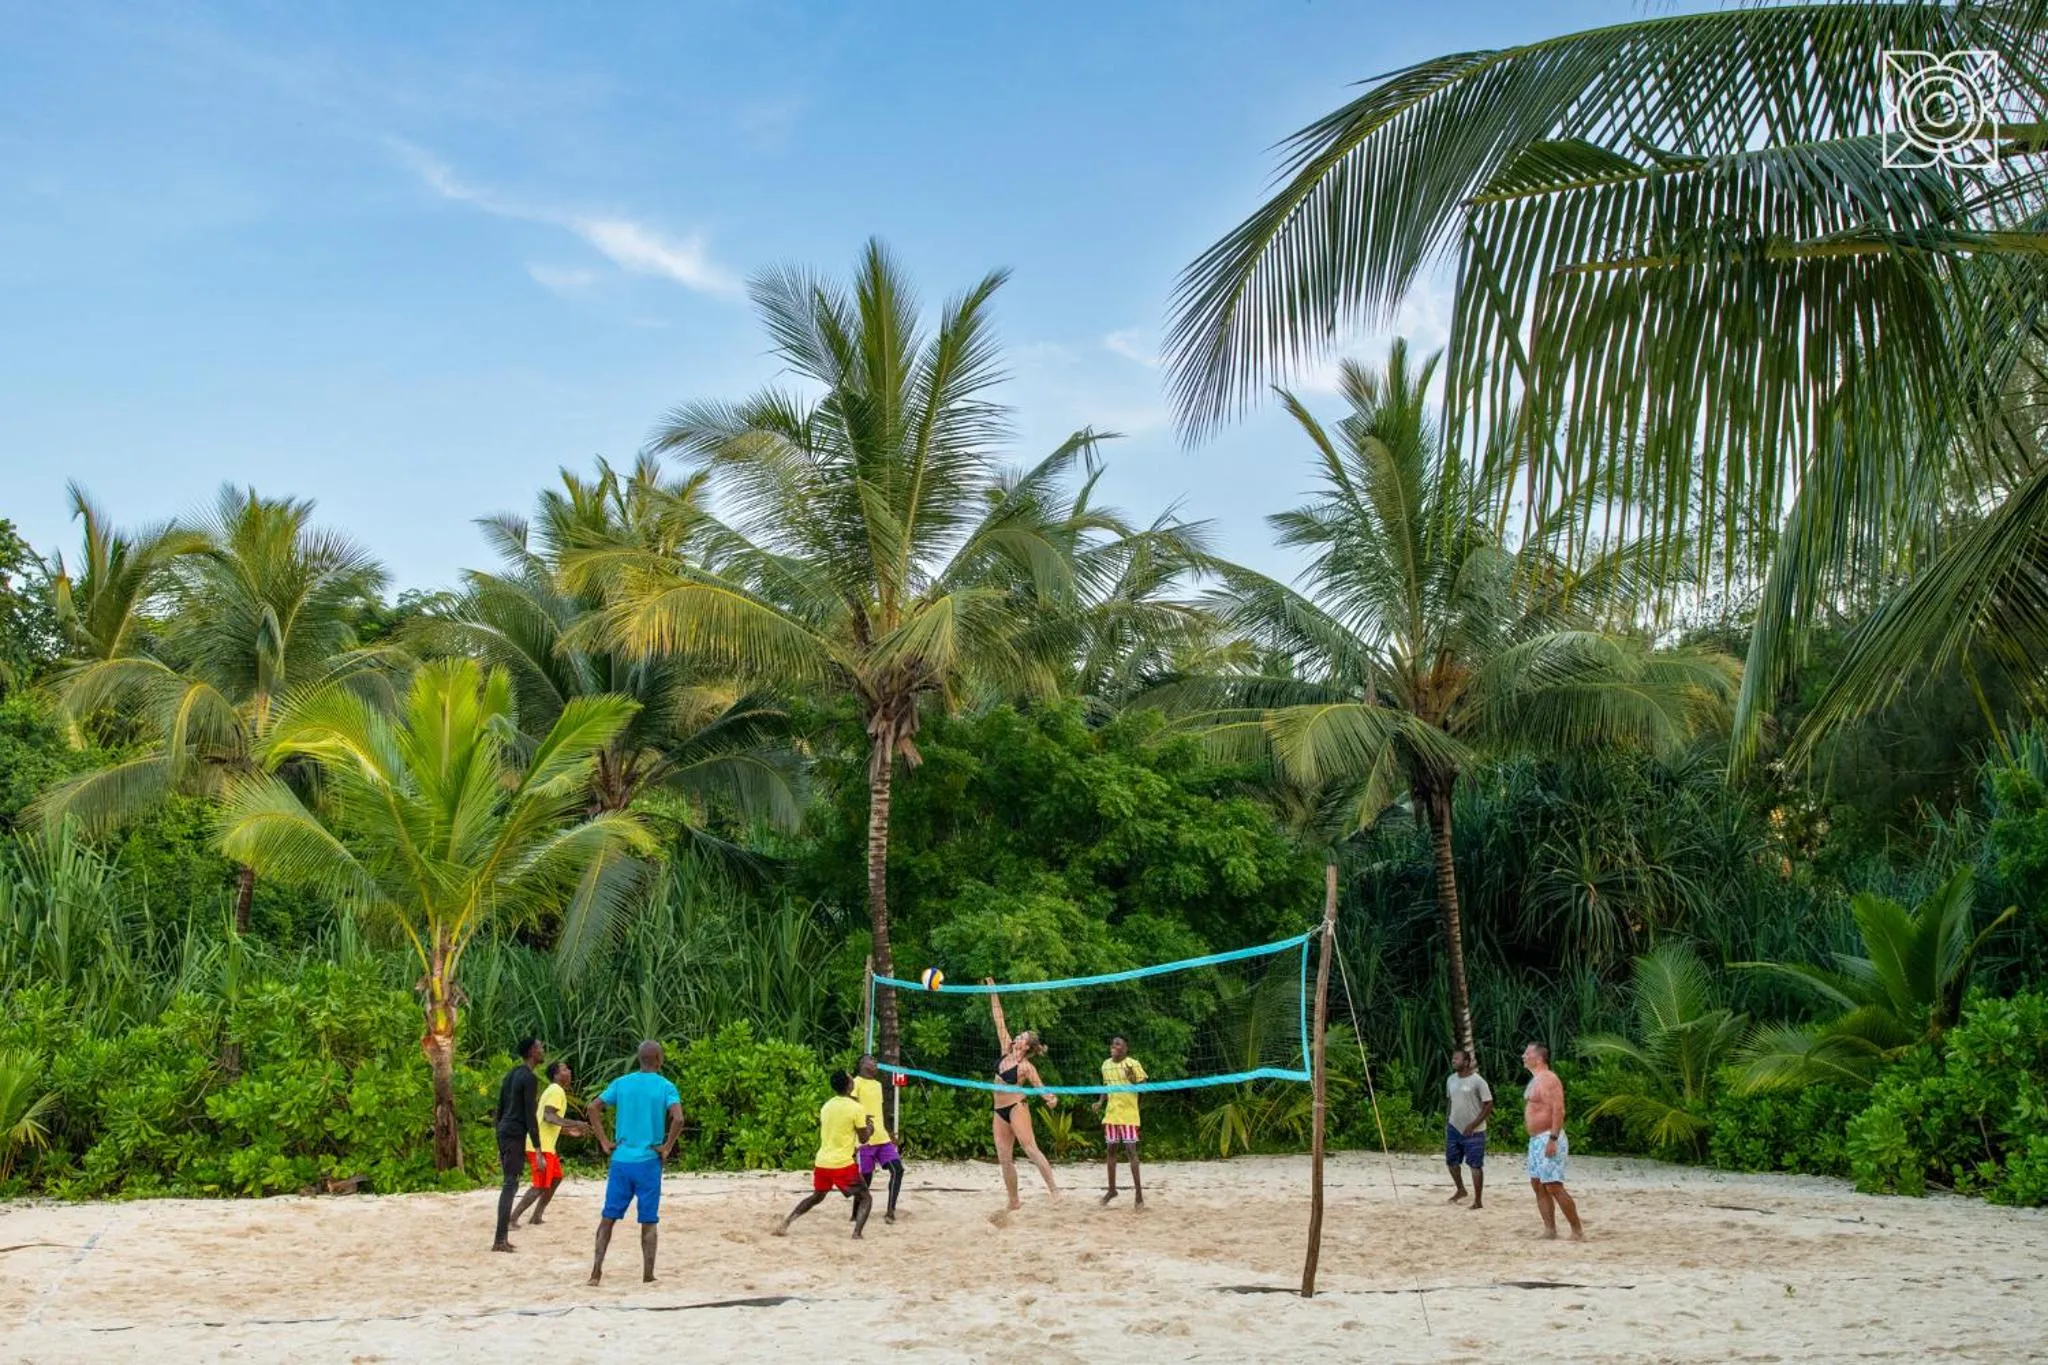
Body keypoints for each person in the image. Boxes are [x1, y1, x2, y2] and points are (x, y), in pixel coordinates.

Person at [586, 1040, 684, 1285]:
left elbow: (592, 1107)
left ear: (639, 1059)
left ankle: (596, 1272)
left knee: (608, 1218)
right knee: (649, 1220)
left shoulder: (622, 1083)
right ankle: (647, 1274)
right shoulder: (665, 1086)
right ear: (659, 1060)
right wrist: (667, 1147)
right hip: (649, 1161)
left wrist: (604, 1141)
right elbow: (679, 1119)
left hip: (621, 1161)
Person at [985, 979, 1059, 1209]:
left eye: (1023, 1036)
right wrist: (993, 992)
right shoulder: (1005, 1047)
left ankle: (1055, 1192)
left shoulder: (1026, 1067)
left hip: (1017, 1107)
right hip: (999, 1110)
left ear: (1027, 1046)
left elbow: (1040, 1087)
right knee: (1004, 1158)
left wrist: (1050, 1099)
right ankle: (1013, 1201)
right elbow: (999, 1019)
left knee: (1030, 1149)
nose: (1018, 1036)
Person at [775, 1069, 875, 1239]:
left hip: (822, 1162)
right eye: (851, 1079)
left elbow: (839, 1123)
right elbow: (864, 1138)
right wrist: (870, 1127)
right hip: (842, 1163)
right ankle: (857, 1233)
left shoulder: (826, 1106)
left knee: (817, 1196)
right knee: (866, 1198)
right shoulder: (856, 1108)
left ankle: (787, 1222)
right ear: (849, 1085)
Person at [511, 1060, 587, 1229]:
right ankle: (512, 1219)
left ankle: (536, 1216)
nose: (568, 1071)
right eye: (564, 1069)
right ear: (556, 1075)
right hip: (540, 1147)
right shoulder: (556, 1091)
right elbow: (549, 1116)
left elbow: (548, 1122)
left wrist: (568, 1131)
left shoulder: (554, 1091)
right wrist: (575, 1122)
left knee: (556, 1178)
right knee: (539, 1186)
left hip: (545, 1146)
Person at [1522, 1041, 1584, 1240]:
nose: (1523, 1056)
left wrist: (1553, 1138)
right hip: (1535, 1140)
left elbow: (1559, 1109)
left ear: (1538, 1058)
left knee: (1553, 1185)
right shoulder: (1536, 1079)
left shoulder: (1549, 1079)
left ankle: (1577, 1230)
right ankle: (1550, 1229)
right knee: (1538, 1184)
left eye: (1527, 1053)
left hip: (1549, 1136)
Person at [492, 1037, 545, 1252]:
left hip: (504, 1131)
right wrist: (538, 1149)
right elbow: (530, 1116)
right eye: (540, 1048)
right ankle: (499, 1240)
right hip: (514, 1133)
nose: (543, 1051)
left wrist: (498, 1143)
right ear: (532, 1051)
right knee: (510, 1185)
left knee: (510, 1183)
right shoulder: (529, 1078)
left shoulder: (511, 1074)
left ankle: (501, 1238)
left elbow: (500, 1109)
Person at [851, 1055, 905, 1224]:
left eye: (875, 1060)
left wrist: (888, 1132)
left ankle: (890, 1211)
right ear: (862, 1064)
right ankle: (855, 1212)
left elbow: (879, 1110)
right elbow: (849, 1108)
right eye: (871, 1060)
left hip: (882, 1138)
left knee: (898, 1170)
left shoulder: (878, 1085)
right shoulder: (856, 1083)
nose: (875, 1063)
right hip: (865, 1139)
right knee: (865, 1179)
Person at [1098, 1035, 1146, 1207]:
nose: (1114, 1045)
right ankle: (1112, 1190)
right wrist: (1100, 1102)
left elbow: (1143, 1086)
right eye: (1113, 1043)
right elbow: (1105, 1087)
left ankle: (1139, 1195)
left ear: (1126, 1048)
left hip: (1129, 1115)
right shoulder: (1106, 1065)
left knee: (1131, 1152)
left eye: (1118, 1044)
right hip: (1111, 1115)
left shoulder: (1133, 1064)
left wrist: (1132, 1078)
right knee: (1110, 1151)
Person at [1445, 1047, 1494, 1209]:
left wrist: (1473, 1124)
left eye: (1457, 1058)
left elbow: (1488, 1104)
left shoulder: (1478, 1081)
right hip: (1454, 1128)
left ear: (1466, 1062)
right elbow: (1450, 1102)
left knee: (1475, 1165)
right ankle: (1460, 1190)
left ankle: (1478, 1200)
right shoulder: (1451, 1079)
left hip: (1475, 1130)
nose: (1454, 1061)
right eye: (1453, 1058)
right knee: (1451, 1162)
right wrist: (1448, 1121)